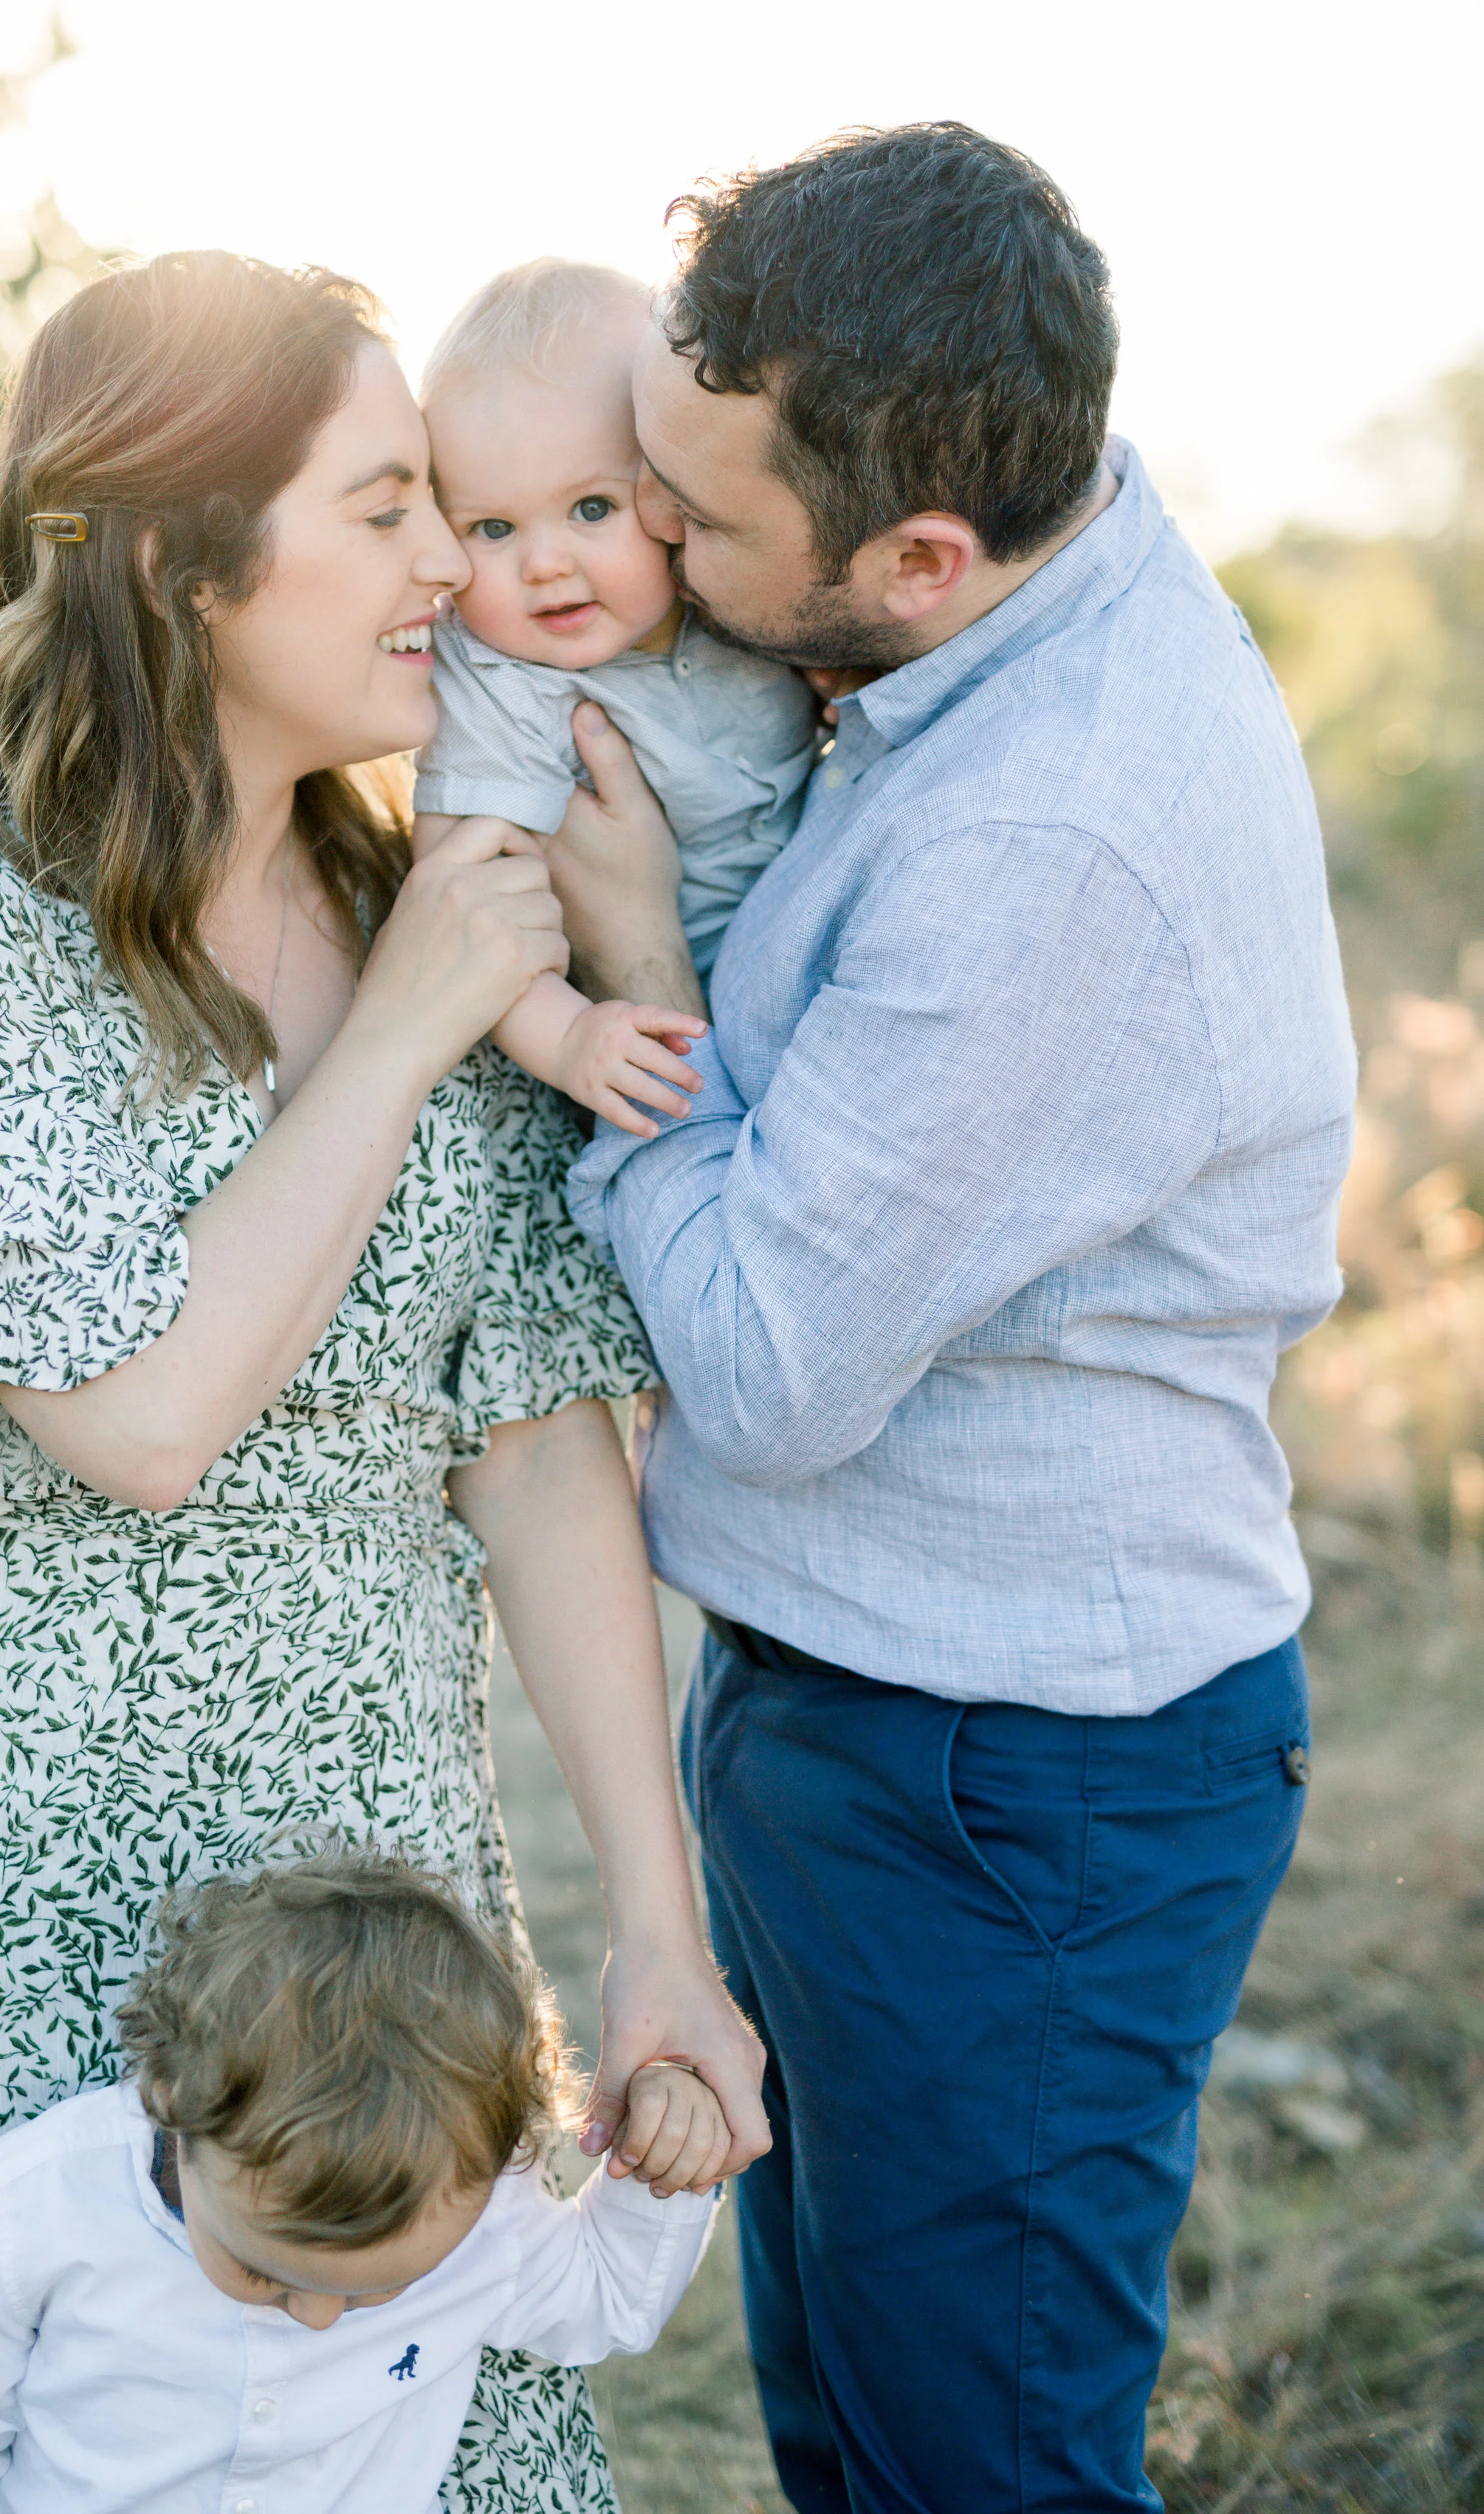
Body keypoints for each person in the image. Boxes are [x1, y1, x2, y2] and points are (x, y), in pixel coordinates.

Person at [0, 250, 765, 2514]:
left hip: (364, 1854)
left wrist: (657, 1932)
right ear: (176, 558)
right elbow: (138, 1417)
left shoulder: (445, 889)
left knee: (405, 2411)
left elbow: (536, 1447)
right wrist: (400, 1027)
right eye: (384, 508)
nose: (450, 564)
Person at [552, 126, 1358, 2511]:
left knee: (970, 2470)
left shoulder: (1050, 833)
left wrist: (633, 974)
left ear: (919, 554)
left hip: (1005, 1790)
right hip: (887, 1709)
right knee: (860, 2430)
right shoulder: (1002, 578)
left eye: (692, 519)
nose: (647, 538)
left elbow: (768, 1370)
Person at [0, 1855, 722, 2513]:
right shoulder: (42, 2204)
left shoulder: (479, 2216)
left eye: (382, 2291)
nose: (315, 2318)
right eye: (259, 2271)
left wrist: (667, 2153)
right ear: (174, 2100)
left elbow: (610, 2298)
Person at [412, 258, 820, 1137]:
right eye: (492, 527)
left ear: (675, 492)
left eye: (592, 509)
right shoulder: (498, 681)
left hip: (816, 976)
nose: (544, 564)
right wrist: (567, 1039)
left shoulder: (737, 595)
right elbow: (462, 915)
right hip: (636, 1035)